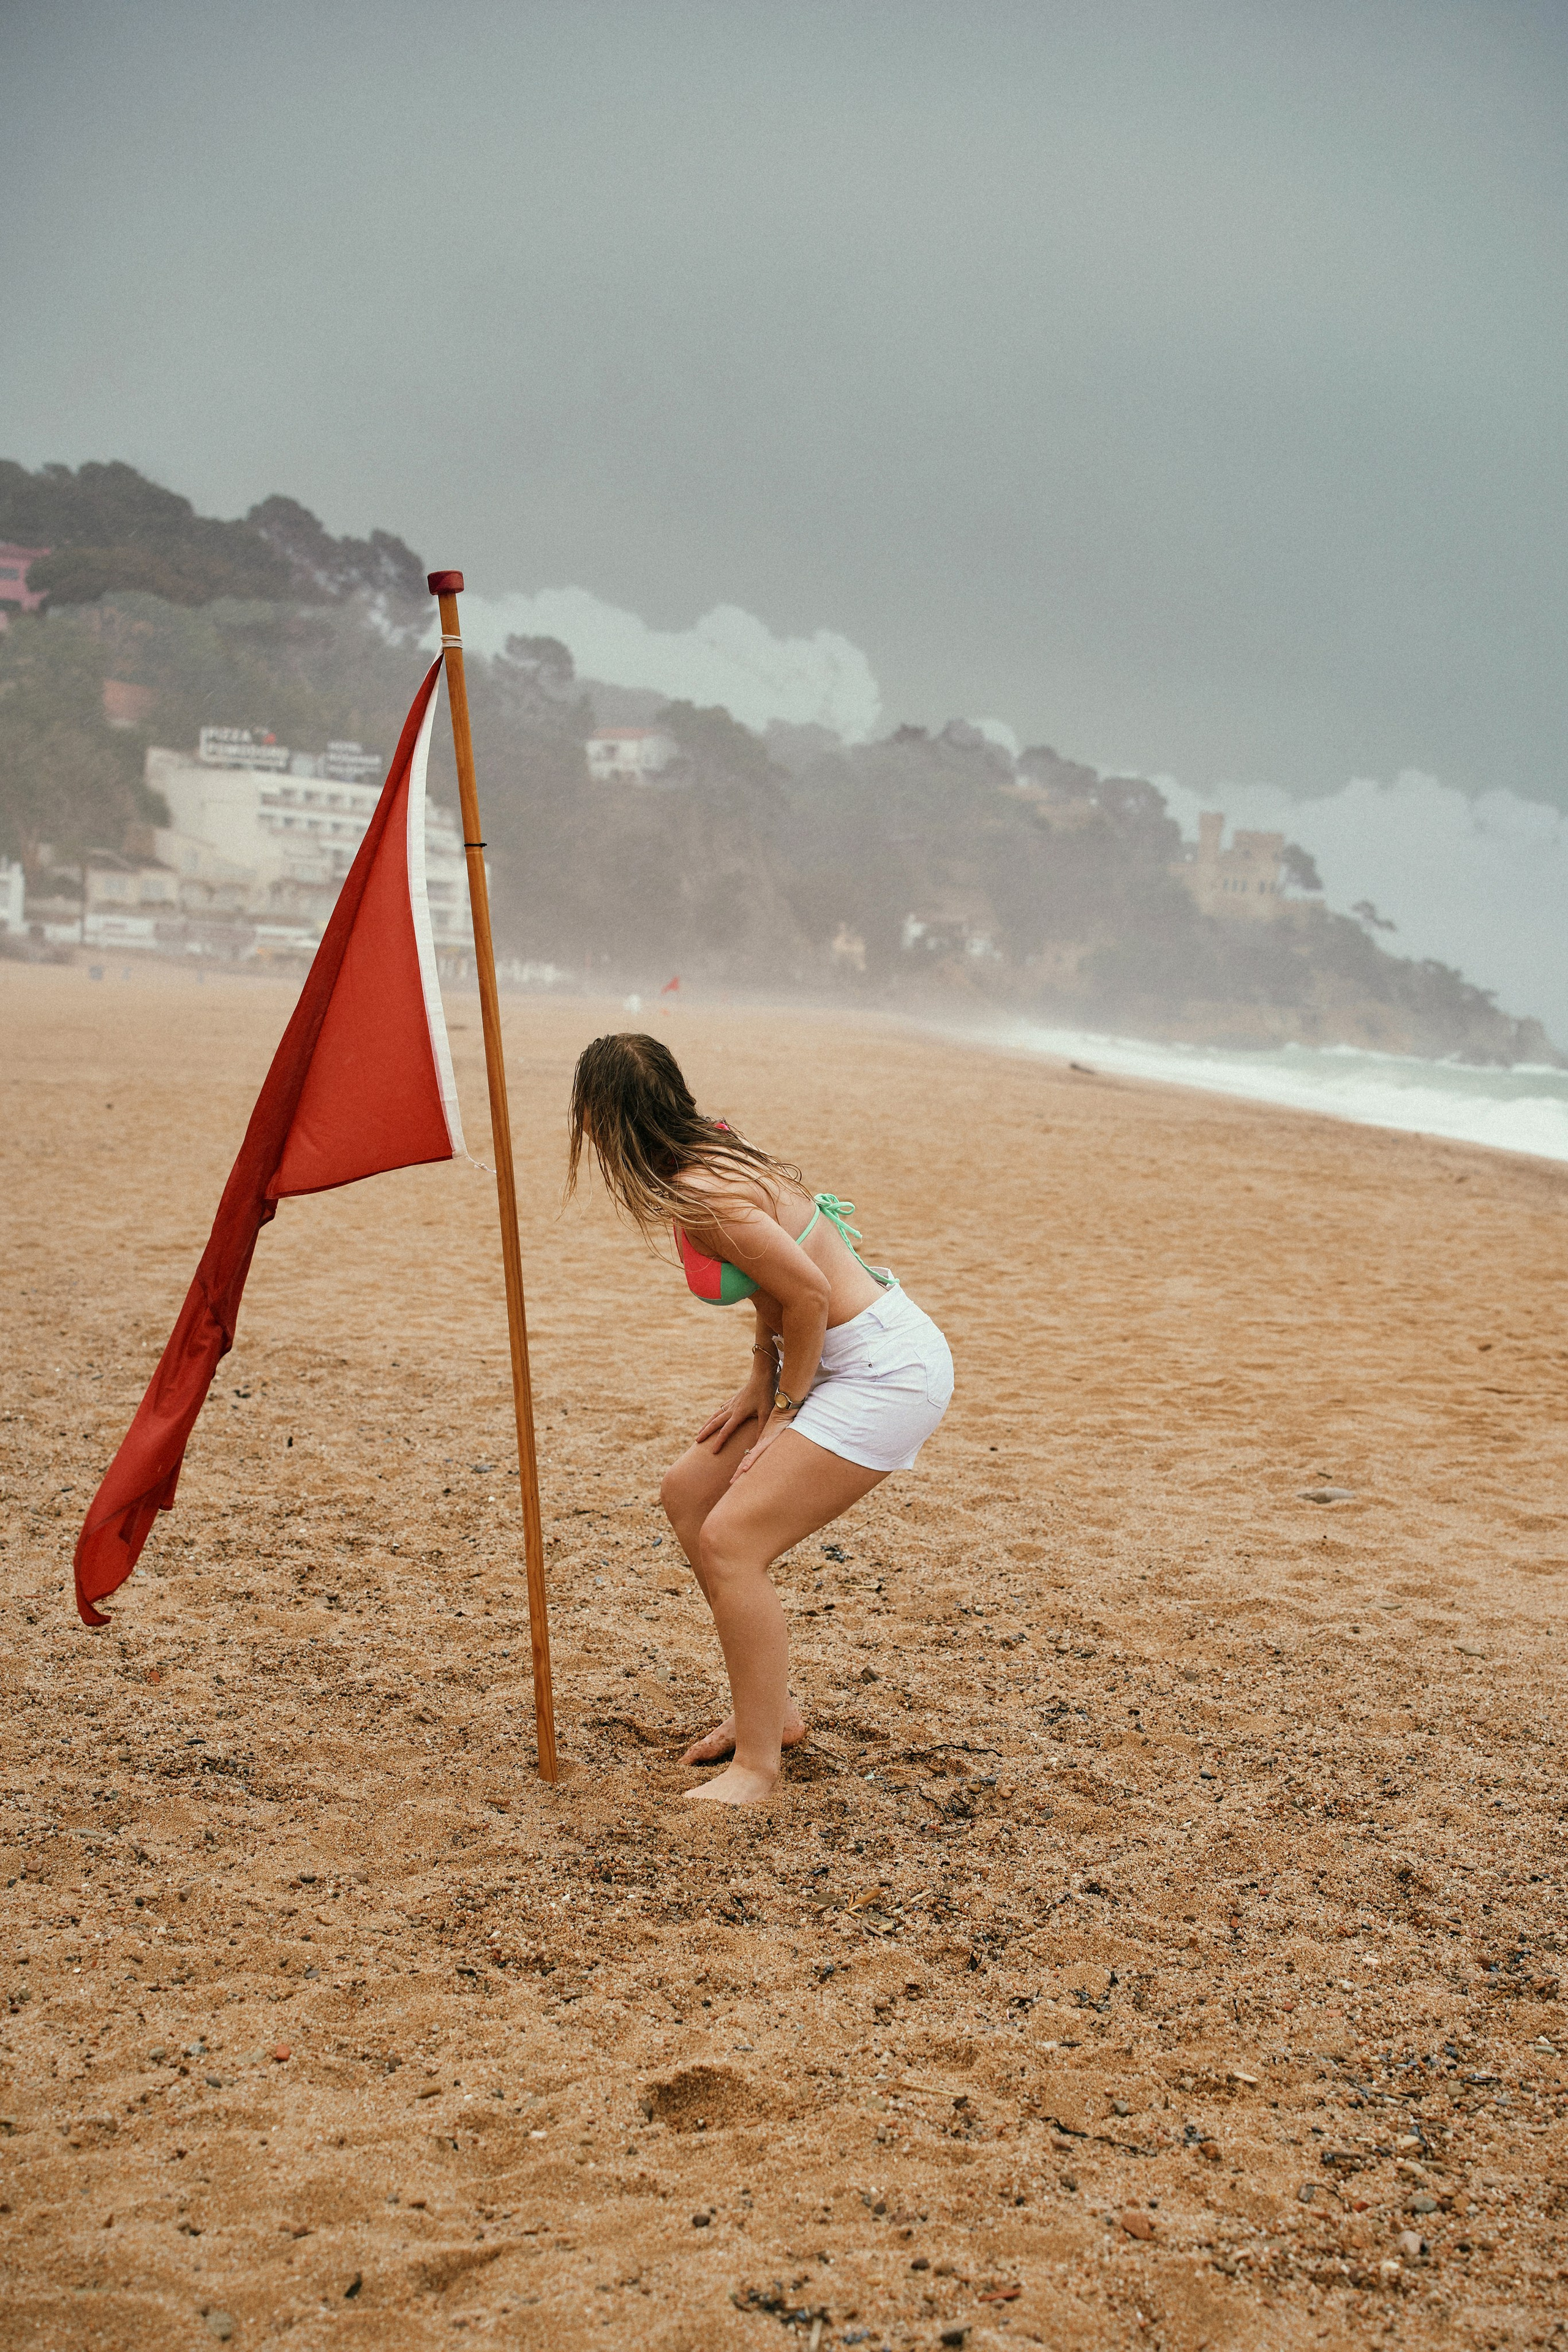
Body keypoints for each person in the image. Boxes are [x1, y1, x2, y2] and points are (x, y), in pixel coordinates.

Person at [567, 1033, 954, 1807]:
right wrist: (759, 1376)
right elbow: (769, 1289)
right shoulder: (707, 1152)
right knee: (689, 1494)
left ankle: (757, 1768)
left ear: (604, 1125)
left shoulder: (704, 1190)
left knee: (732, 1540)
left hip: (885, 1369)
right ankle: (771, 1716)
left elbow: (808, 1292)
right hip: (835, 1357)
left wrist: (785, 1411)